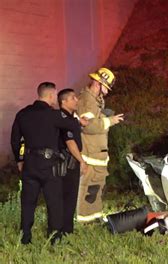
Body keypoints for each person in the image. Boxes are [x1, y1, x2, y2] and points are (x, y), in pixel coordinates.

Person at [10, 82, 85, 245]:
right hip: (50, 165)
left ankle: (25, 237)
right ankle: (55, 238)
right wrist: (79, 120)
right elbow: (71, 125)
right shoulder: (54, 115)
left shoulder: (22, 114)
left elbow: (16, 140)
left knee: (28, 202)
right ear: (51, 96)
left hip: (29, 164)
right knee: (54, 202)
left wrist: (20, 160)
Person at [76, 67, 124, 223]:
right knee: (87, 188)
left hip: (98, 154)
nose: (108, 91)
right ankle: (84, 219)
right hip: (90, 155)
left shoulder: (95, 100)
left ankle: (95, 216)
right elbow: (88, 126)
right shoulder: (86, 100)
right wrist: (110, 121)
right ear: (98, 82)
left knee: (96, 187)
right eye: (106, 87)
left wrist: (104, 116)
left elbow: (95, 120)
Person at [57, 88, 88, 234]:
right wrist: (81, 161)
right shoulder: (64, 119)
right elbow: (70, 142)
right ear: (64, 101)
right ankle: (65, 230)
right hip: (67, 162)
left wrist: (79, 122)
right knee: (68, 196)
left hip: (68, 161)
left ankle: (66, 229)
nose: (77, 100)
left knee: (69, 197)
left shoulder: (69, 118)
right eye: (73, 98)